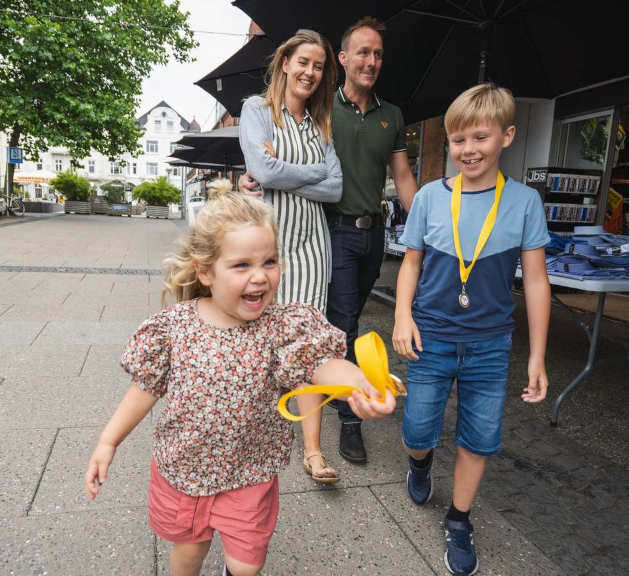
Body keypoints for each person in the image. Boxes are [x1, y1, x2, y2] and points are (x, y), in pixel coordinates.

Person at [83, 181, 395, 576]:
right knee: (189, 553)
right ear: (206, 272)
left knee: (246, 565)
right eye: (242, 265)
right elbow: (144, 389)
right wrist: (108, 441)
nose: (260, 277)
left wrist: (358, 383)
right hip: (185, 469)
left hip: (250, 472)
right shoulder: (175, 327)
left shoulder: (283, 326)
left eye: (270, 262)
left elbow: (321, 364)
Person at [241, 17, 418, 465]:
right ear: (343, 59)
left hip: (358, 236)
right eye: (362, 52)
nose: (371, 61)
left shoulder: (375, 116)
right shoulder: (308, 109)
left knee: (331, 327)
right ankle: (343, 418)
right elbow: (264, 169)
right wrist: (264, 176)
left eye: (378, 54)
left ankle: (317, 419)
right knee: (331, 329)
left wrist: (424, 236)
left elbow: (383, 180)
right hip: (319, 232)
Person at [392, 83, 551, 576]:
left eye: (480, 137)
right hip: (431, 336)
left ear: (507, 135)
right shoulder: (429, 197)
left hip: (490, 343)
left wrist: (537, 356)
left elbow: (537, 281)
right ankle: (419, 463)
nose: (468, 149)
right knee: (417, 431)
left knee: (478, 439)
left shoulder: (524, 201)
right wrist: (402, 316)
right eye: (458, 140)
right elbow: (411, 262)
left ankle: (459, 519)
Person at [238, 29, 344, 482]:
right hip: (270, 247)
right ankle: (249, 434)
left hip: (313, 247)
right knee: (258, 339)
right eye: (303, 62)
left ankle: (313, 451)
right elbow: (262, 171)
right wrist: (312, 171)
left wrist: (283, 172)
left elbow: (335, 188)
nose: (310, 72)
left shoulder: (320, 125)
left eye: (318, 67)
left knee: (308, 347)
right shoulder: (257, 110)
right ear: (285, 63)